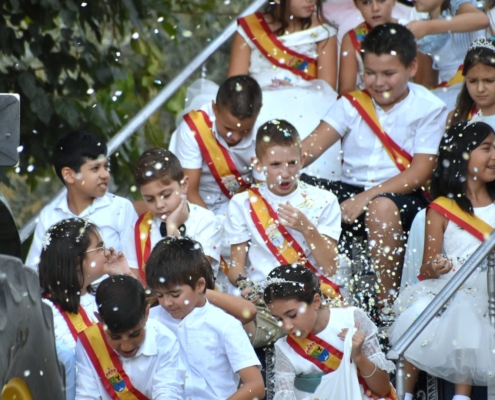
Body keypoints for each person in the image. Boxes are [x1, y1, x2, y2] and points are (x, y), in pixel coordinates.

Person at [300, 23, 447, 321]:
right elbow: (310, 147)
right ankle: (311, 297)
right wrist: (279, 164)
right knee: (300, 191)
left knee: (379, 207)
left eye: (388, 74)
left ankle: (386, 308)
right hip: (349, 188)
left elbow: (419, 172)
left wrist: (365, 198)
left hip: (402, 195)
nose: (378, 82)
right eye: (370, 73)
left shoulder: (429, 107)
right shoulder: (351, 103)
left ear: (412, 67)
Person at [389, 121, 495, 400]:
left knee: (466, 310)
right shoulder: (441, 209)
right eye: (487, 148)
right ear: (462, 155)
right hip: (448, 286)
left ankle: (462, 395)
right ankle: (405, 394)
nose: (494, 155)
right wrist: (436, 266)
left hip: (488, 289)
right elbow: (427, 266)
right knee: (416, 313)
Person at [224, 119, 342, 348]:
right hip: (265, 301)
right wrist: (248, 288)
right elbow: (236, 268)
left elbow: (330, 267)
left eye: (292, 163)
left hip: (311, 298)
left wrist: (307, 228)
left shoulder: (324, 200)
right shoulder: (243, 203)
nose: (285, 173)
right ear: (258, 165)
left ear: (303, 161)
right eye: (276, 164)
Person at [402, 37, 495, 288]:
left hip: (490, 194)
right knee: (428, 217)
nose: (481, 88)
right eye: (473, 81)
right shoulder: (459, 117)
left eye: (489, 80)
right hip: (462, 197)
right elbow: (450, 163)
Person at [228, 0, 341, 181]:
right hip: (259, 104)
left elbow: (326, 89)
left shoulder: (323, 31)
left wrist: (292, 92)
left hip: (307, 106)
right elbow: (234, 86)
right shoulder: (251, 28)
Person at [145, 236, 265, 400]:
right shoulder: (150, 321)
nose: (167, 302)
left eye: (175, 294)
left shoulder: (224, 324)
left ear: (200, 285)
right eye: (159, 295)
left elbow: (256, 386)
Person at [265, 264, 396, 399]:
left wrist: (358, 357)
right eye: (278, 319)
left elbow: (382, 389)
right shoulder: (285, 348)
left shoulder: (352, 318)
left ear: (316, 301)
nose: (287, 327)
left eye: (292, 315)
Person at [38, 218, 135, 400]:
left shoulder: (104, 294)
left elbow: (146, 324)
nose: (107, 252)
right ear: (76, 261)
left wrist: (126, 276)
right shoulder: (46, 312)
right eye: (99, 247)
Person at [26, 130, 137, 269]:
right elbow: (34, 272)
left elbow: (135, 268)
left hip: (115, 290)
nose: (105, 175)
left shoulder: (121, 208)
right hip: (60, 291)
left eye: (106, 167)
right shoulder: (50, 215)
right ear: (69, 175)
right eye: (95, 168)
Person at [75, 275, 184, 399]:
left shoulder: (165, 340)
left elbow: (168, 392)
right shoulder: (90, 342)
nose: (126, 347)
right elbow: (87, 395)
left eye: (135, 334)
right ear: (100, 320)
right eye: (115, 337)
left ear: (147, 313)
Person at [122, 148, 222, 282]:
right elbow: (136, 284)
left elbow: (192, 278)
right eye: (150, 199)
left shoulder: (206, 221)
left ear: (184, 185)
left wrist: (172, 230)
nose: (159, 205)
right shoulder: (139, 228)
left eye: (166, 195)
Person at [171, 75, 262, 216]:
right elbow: (189, 191)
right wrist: (212, 228)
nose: (235, 137)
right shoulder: (193, 129)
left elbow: (262, 190)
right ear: (215, 108)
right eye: (228, 128)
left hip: (241, 206)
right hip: (195, 204)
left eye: (245, 130)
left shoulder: (263, 134)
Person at [409, 0, 488, 111]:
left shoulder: (458, 5)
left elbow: (481, 20)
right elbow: (427, 83)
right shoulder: (422, 28)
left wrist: (428, 27)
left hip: (476, 83)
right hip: (449, 91)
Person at [338, 0, 406, 95]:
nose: (375, 8)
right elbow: (346, 92)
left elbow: (424, 85)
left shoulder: (410, 32)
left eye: (381, 0)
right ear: (356, 4)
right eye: (366, 2)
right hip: (367, 105)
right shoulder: (351, 38)